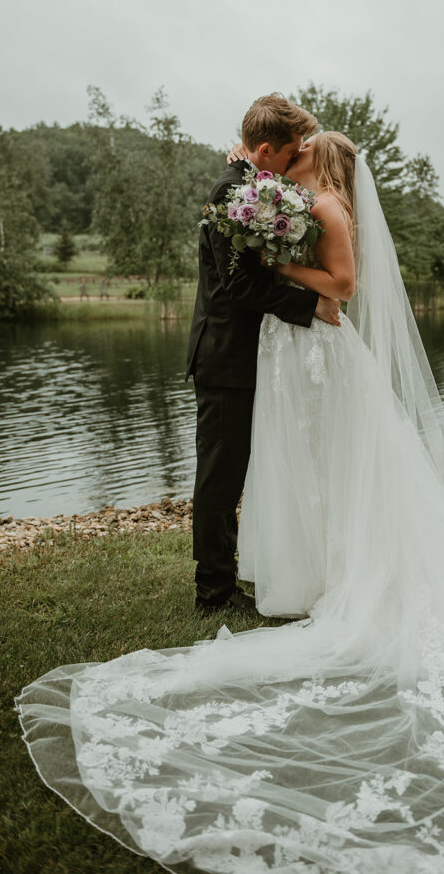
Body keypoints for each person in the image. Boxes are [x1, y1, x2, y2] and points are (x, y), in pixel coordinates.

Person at [17, 136, 444, 872]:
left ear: (317, 163)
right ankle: (323, 567)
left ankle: (344, 574)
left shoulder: (325, 204)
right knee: (325, 470)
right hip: (296, 354)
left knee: (338, 468)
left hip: (322, 352)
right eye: (288, 153)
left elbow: (343, 285)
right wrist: (265, 236)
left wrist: (274, 264)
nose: (293, 164)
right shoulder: (290, 197)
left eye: (300, 156)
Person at [184, 93, 341, 614]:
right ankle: (215, 591)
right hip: (224, 358)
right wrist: (309, 306)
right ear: (268, 150)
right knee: (220, 476)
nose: (295, 161)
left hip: (249, 357)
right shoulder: (232, 195)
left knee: (240, 469)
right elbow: (239, 288)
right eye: (291, 152)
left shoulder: (250, 182)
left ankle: (233, 575)